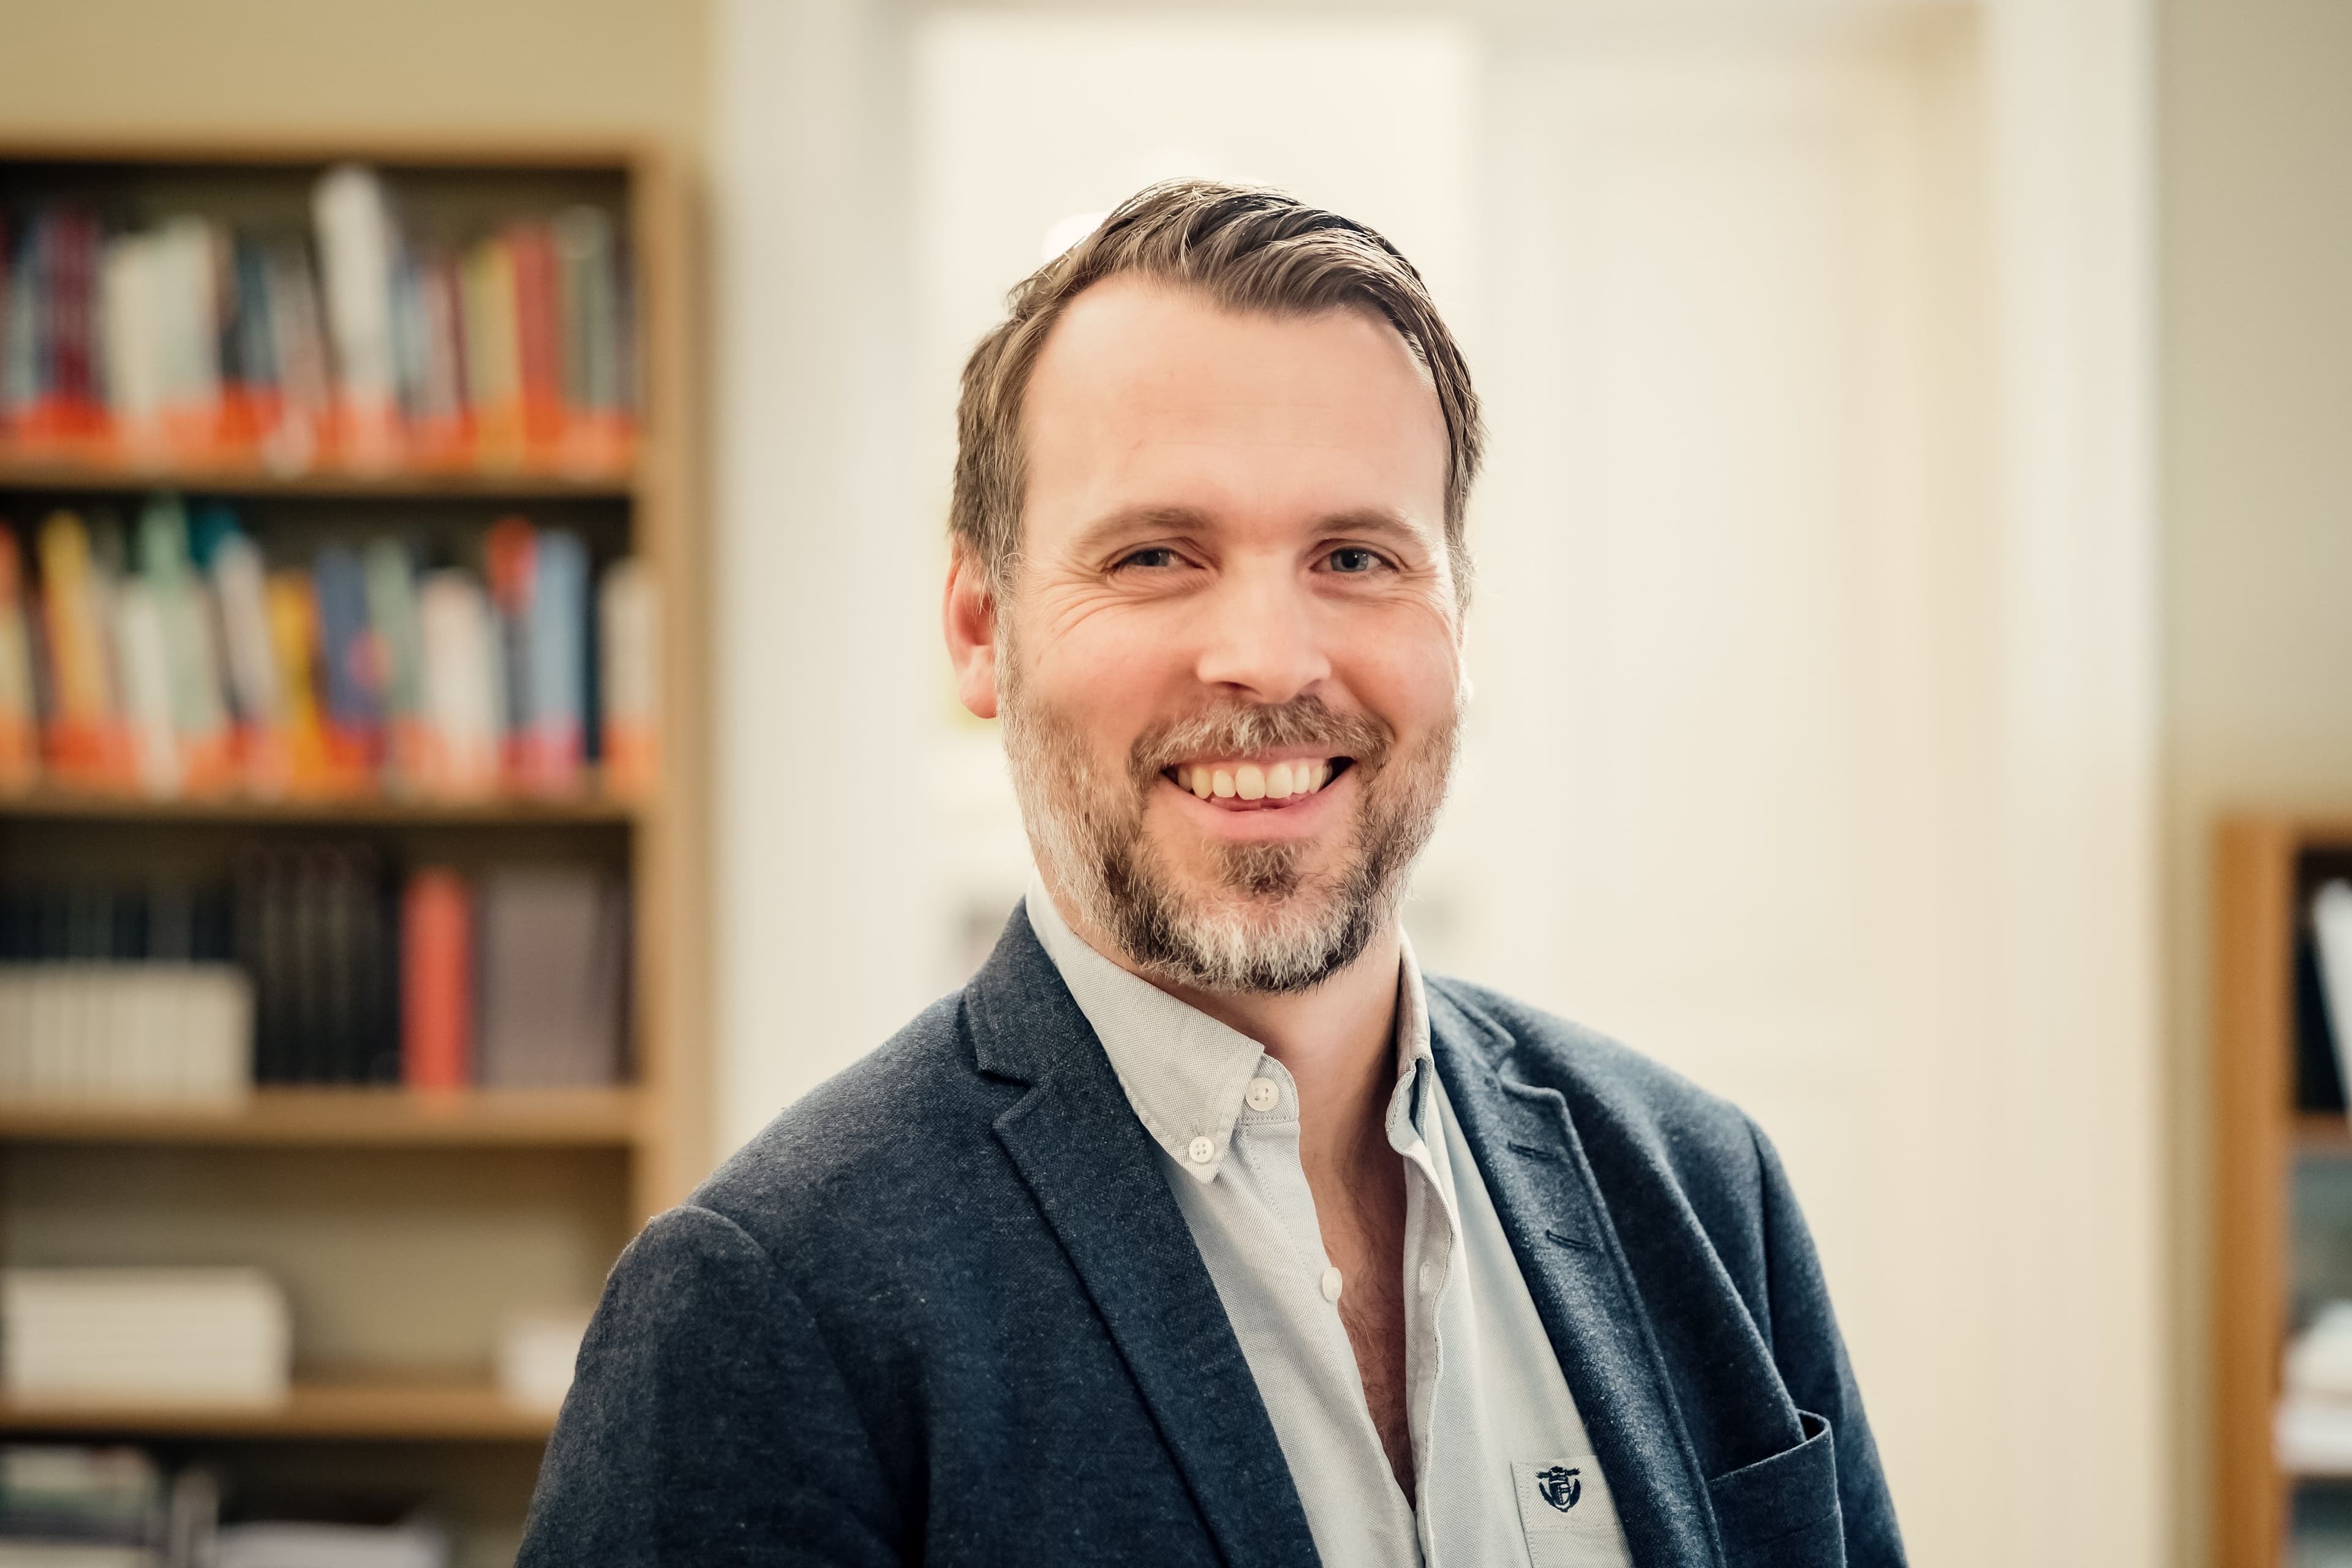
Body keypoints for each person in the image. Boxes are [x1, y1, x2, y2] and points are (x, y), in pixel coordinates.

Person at [517, 180, 1905, 1568]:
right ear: (982, 627)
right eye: (1155, 555)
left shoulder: (1706, 1189)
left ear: (1460, 618)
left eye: (1356, 555)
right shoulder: (763, 1308)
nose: (1270, 659)